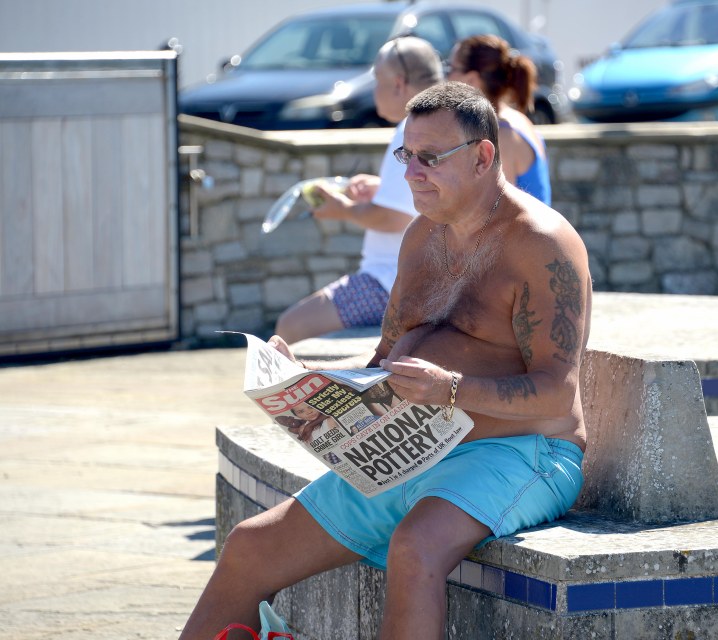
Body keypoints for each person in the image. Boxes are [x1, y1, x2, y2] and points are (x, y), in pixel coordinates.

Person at [179, 81, 592, 640]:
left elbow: (557, 394)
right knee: (250, 546)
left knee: (415, 548)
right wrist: (307, 381)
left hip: (525, 450)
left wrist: (450, 390)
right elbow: (386, 356)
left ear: (483, 156)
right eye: (405, 155)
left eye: (429, 158)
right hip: (409, 447)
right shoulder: (421, 238)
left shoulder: (542, 245)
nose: (410, 173)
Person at [273, 37, 443, 345]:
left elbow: (395, 218)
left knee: (289, 329)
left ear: (398, 83)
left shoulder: (410, 129)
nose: (373, 90)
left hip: (389, 283)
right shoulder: (444, 122)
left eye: (377, 80)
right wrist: (383, 188)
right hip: (420, 281)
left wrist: (342, 210)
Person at [444, 34, 551, 204]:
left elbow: (496, 216)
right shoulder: (517, 119)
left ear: (472, 79)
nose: (446, 77)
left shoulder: (501, 137)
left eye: (450, 68)